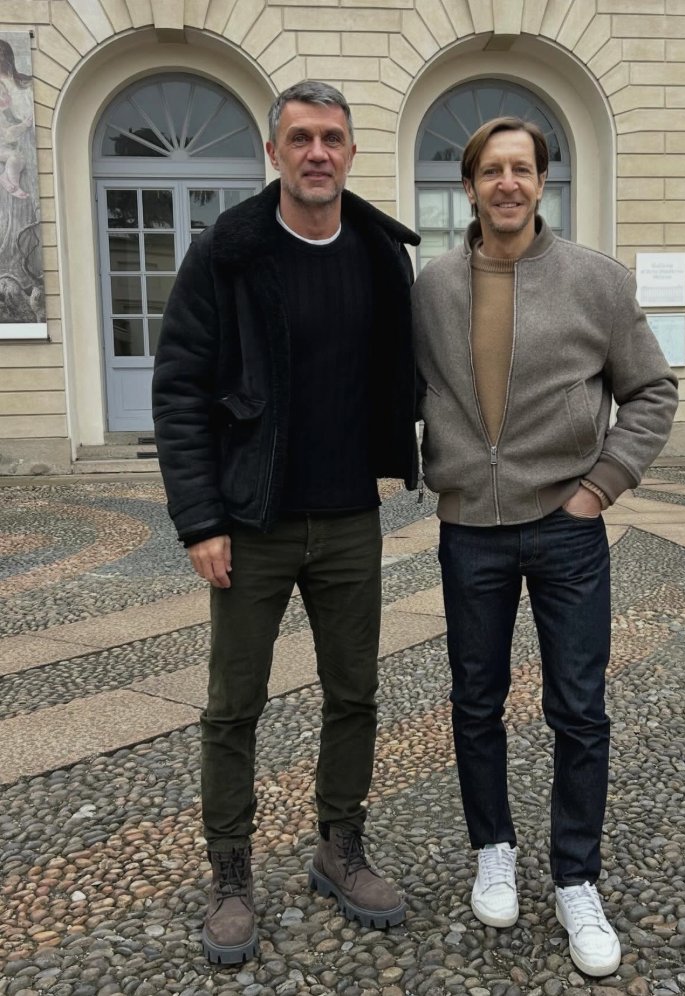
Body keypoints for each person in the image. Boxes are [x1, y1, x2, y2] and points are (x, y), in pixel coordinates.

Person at [152, 80, 420, 965]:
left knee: (356, 696)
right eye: (300, 137)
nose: (317, 153)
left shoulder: (383, 254)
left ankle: (339, 848)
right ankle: (231, 873)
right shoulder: (227, 253)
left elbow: (406, 371)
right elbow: (181, 390)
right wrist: (200, 519)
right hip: (252, 520)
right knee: (234, 707)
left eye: (332, 138)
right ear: (274, 152)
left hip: (349, 517)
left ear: (350, 152)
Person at [412, 117, 678, 978]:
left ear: (541, 182)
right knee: (475, 701)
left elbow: (652, 392)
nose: (507, 183)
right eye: (490, 170)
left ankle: (575, 878)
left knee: (579, 709)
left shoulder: (595, 282)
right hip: (470, 532)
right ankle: (493, 846)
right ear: (470, 186)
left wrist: (599, 486)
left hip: (567, 530)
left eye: (521, 168)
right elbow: (399, 388)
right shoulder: (433, 287)